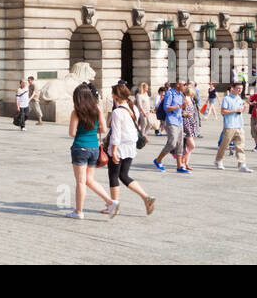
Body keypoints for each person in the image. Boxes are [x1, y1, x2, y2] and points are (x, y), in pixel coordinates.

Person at [103, 83, 155, 217]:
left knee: (114, 176)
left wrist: (113, 151)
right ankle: (146, 198)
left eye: (112, 93)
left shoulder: (117, 112)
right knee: (124, 175)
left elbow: (116, 134)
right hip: (130, 147)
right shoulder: (133, 109)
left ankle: (114, 206)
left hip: (119, 147)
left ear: (115, 95)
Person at [65, 84, 115, 219]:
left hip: (80, 148)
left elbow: (71, 133)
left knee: (81, 182)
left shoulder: (76, 112)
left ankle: (79, 211)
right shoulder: (97, 109)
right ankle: (110, 202)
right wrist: (92, 130)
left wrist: (82, 131)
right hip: (94, 148)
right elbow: (104, 129)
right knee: (89, 180)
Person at [215, 81, 253, 172]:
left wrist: (243, 109)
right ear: (233, 88)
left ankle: (242, 164)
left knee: (240, 146)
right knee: (224, 145)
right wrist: (235, 110)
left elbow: (239, 111)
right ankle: (218, 160)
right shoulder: (227, 99)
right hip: (229, 126)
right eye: (238, 88)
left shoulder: (239, 99)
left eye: (241, 89)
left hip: (239, 125)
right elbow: (223, 111)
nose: (240, 90)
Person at [152, 80, 187, 174]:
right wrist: (180, 106)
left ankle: (179, 166)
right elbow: (166, 108)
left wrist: (184, 113)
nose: (185, 86)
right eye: (184, 85)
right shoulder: (170, 93)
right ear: (178, 85)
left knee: (180, 144)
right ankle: (158, 160)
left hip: (179, 121)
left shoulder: (181, 94)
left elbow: (180, 108)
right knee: (172, 143)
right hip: (171, 121)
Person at [180, 84, 199, 171]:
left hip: (191, 122)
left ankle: (186, 162)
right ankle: (182, 161)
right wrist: (186, 114)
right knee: (191, 145)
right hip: (186, 123)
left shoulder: (191, 99)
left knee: (189, 145)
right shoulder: (184, 100)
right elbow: (180, 112)